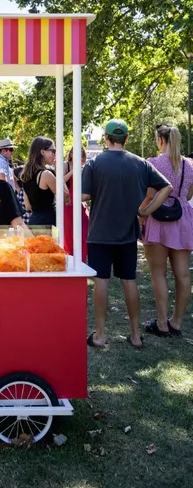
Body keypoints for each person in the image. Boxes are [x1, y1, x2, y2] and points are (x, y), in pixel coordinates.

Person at [82, 119, 172, 349]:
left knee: (101, 280)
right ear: (127, 139)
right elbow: (167, 187)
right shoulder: (140, 163)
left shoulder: (94, 164)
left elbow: (83, 196)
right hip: (128, 233)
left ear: (106, 138)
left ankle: (100, 335)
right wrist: (146, 210)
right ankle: (135, 335)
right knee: (128, 280)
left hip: (100, 233)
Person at [140, 124, 193, 337]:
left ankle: (162, 322)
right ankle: (177, 321)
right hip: (183, 219)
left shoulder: (152, 163)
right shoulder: (190, 165)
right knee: (182, 274)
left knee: (158, 273)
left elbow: (149, 194)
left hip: (159, 218)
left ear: (161, 140)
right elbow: (188, 196)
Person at [19, 136, 68, 227]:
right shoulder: (46, 174)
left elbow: (28, 206)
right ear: (42, 152)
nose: (55, 154)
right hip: (47, 223)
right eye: (53, 151)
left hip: (34, 221)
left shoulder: (26, 175)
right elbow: (66, 197)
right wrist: (59, 173)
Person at [62, 147, 90, 262]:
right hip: (68, 203)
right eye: (76, 152)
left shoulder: (86, 167)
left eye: (81, 154)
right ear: (71, 154)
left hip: (80, 203)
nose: (79, 155)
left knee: (84, 234)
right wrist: (74, 170)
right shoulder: (65, 165)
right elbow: (60, 180)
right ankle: (70, 261)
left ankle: (81, 261)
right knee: (69, 236)